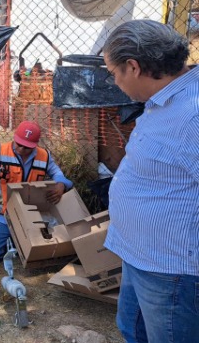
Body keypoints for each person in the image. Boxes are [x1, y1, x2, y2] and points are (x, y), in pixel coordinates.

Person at [102, 20, 199, 342]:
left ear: (133, 67)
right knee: (133, 330)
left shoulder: (192, 113)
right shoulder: (165, 102)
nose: (115, 82)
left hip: (171, 269)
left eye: (113, 73)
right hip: (141, 255)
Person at [0, 120, 73, 262]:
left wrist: (61, 185)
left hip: (29, 215)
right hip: (1, 213)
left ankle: (13, 240)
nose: (22, 149)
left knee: (36, 253)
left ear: (35, 145)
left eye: (27, 147)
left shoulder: (44, 156)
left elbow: (58, 174)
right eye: (19, 144)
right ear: (14, 137)